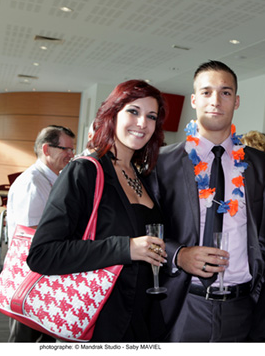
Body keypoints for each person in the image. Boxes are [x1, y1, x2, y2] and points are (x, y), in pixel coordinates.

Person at [27, 80, 168, 342]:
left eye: (151, 116)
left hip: (142, 317)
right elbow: (42, 254)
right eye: (133, 111)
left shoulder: (142, 175)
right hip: (98, 321)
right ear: (112, 114)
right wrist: (125, 248)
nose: (142, 123)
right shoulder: (85, 171)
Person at [148, 60, 265, 341]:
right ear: (194, 99)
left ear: (236, 101)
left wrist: (256, 292)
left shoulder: (259, 164)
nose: (215, 101)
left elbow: (262, 234)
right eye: (206, 92)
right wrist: (179, 254)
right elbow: (146, 229)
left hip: (242, 307)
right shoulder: (164, 162)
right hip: (184, 304)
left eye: (225, 92)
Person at [6, 124, 75, 342]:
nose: (71, 155)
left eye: (72, 150)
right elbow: (30, 237)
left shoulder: (53, 179)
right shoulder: (33, 183)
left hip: (46, 275)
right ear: (46, 149)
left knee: (43, 338)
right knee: (24, 338)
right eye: (66, 149)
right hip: (29, 277)